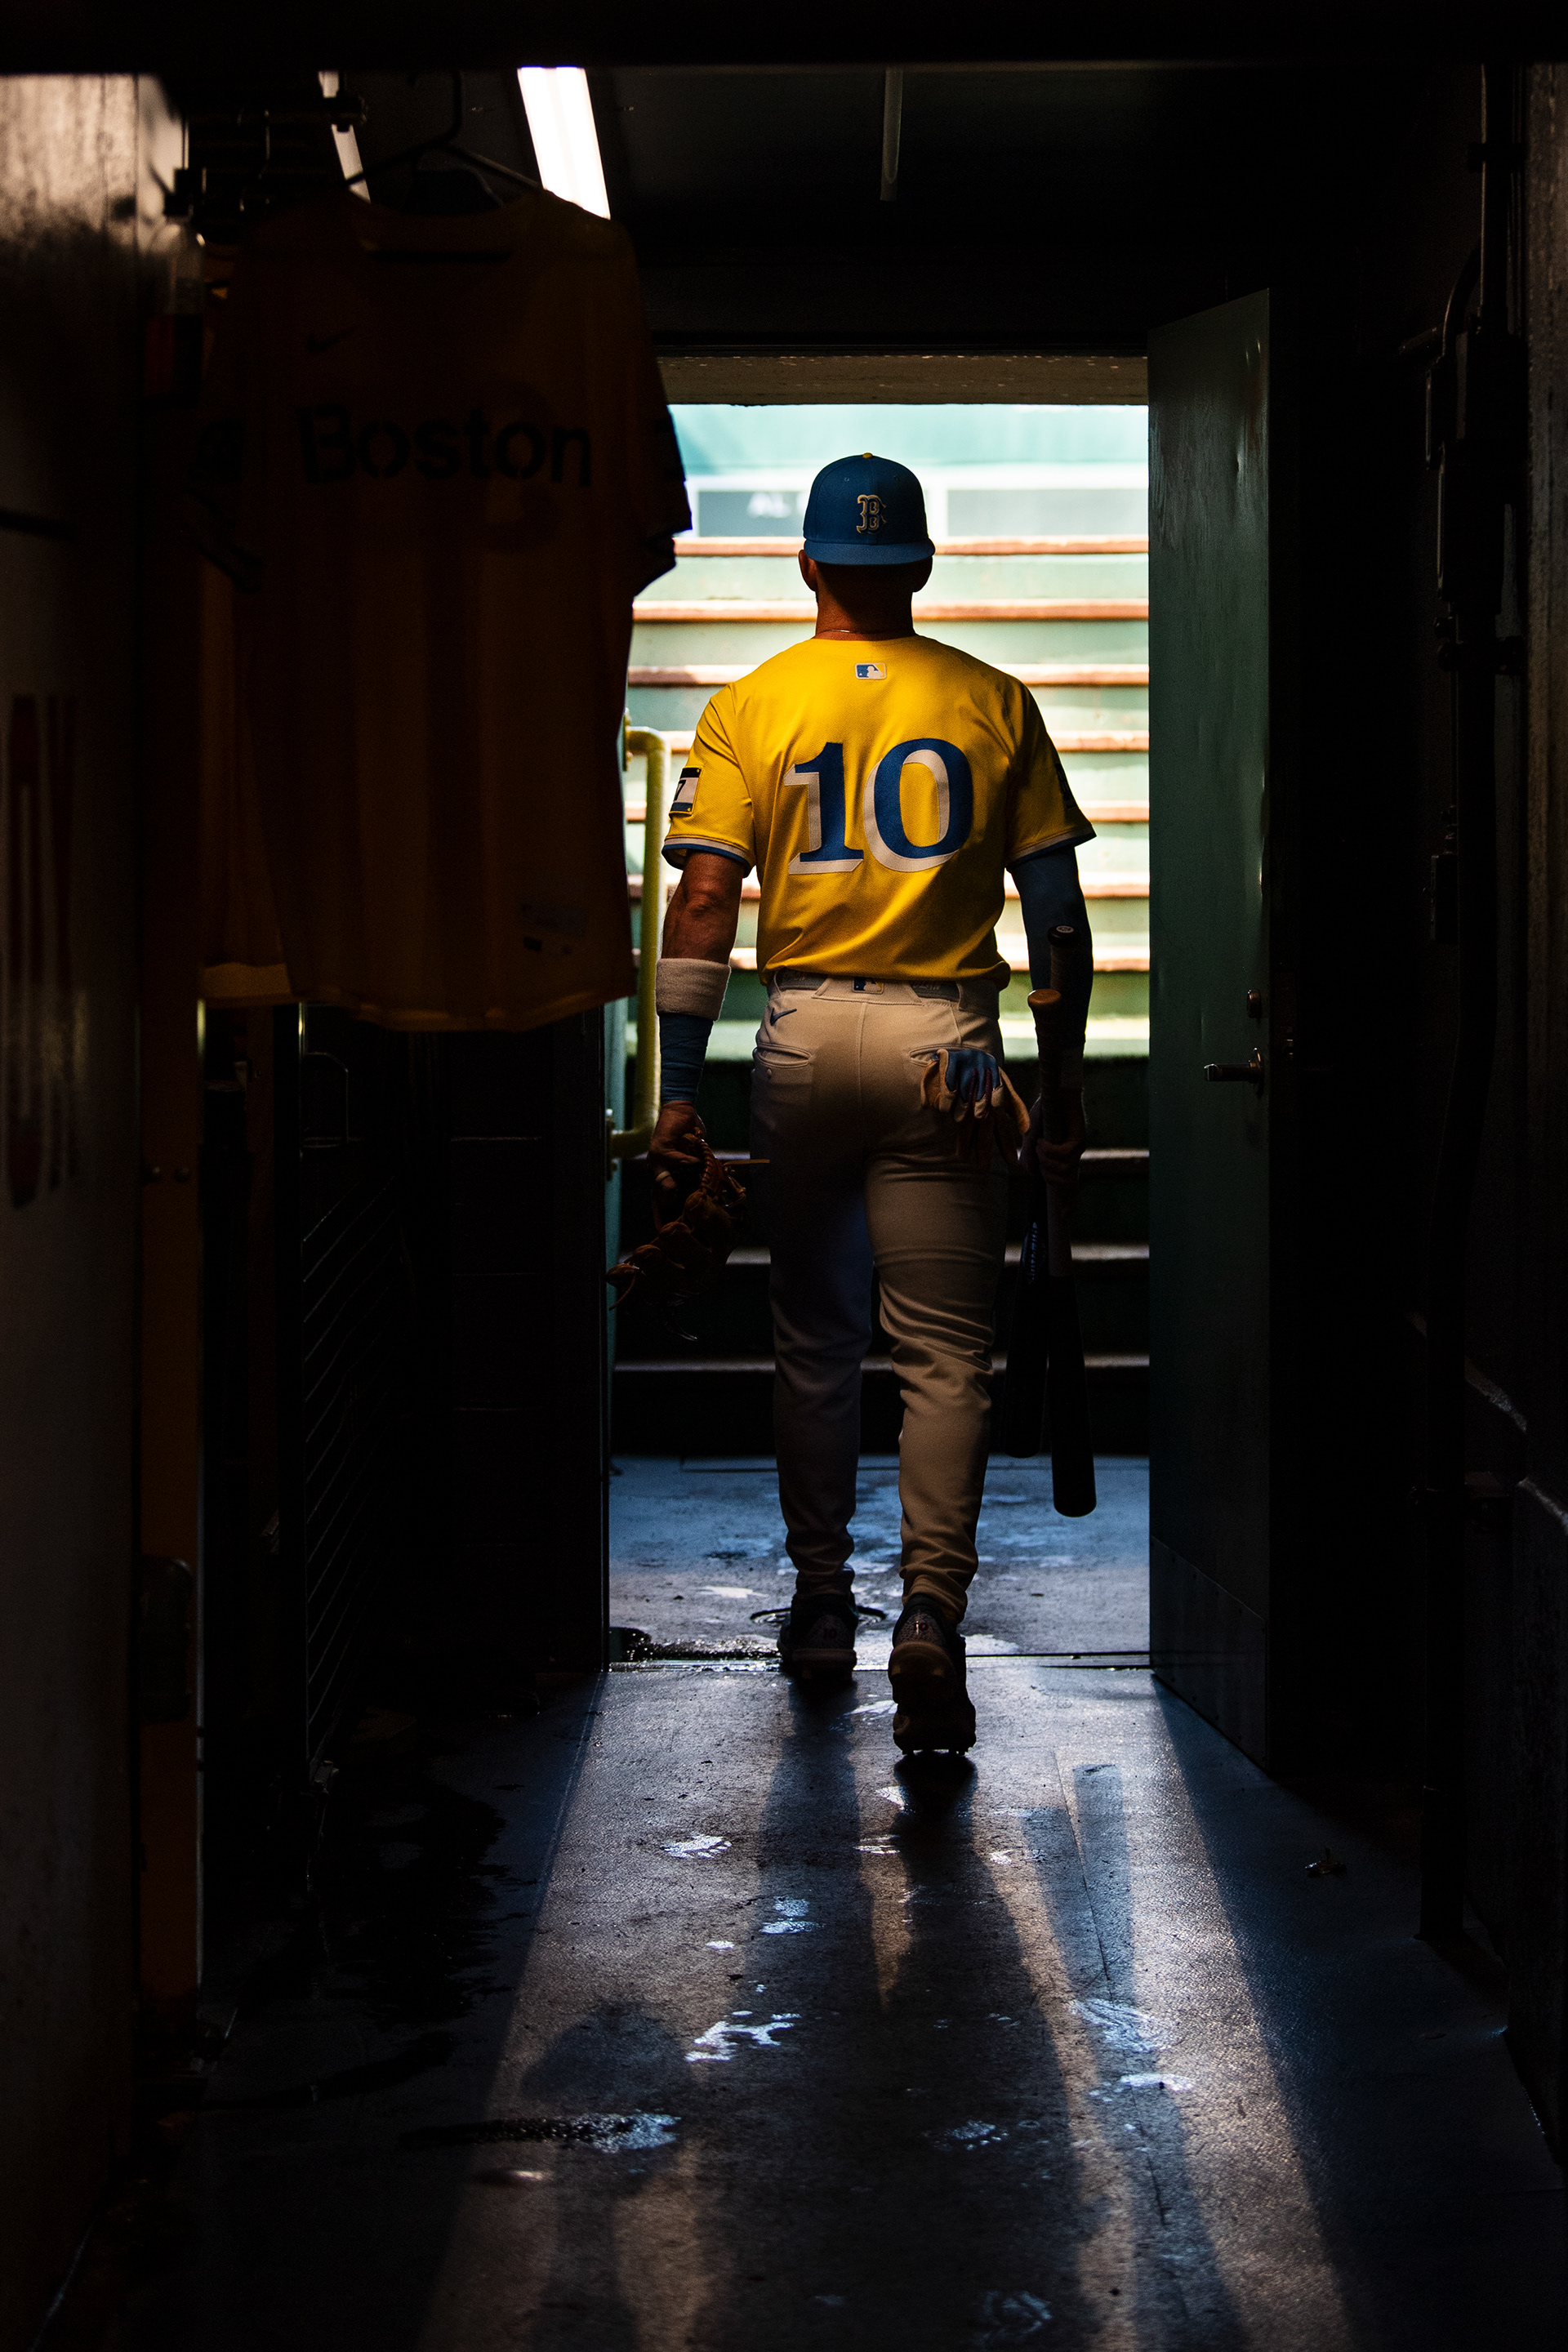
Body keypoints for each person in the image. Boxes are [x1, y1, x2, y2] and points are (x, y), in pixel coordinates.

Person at [648, 452, 1093, 1753]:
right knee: (948, 1358)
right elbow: (1058, 926)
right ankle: (931, 1621)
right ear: (924, 567)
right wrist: (1055, 1100)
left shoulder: (751, 703)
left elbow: (705, 903)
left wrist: (682, 1091)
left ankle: (823, 1606)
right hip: (946, 1050)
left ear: (806, 566)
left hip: (798, 1036)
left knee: (815, 1342)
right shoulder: (993, 700)